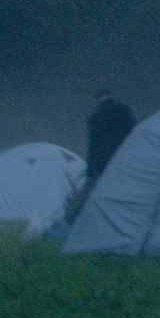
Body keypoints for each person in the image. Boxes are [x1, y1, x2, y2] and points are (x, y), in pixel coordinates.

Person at [67, 89, 138, 223]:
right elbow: (135, 132)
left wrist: (90, 173)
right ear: (112, 96)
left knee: (103, 192)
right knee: (125, 190)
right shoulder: (125, 111)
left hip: (103, 162)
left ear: (99, 99)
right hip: (124, 158)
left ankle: (80, 219)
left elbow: (93, 146)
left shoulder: (95, 118)